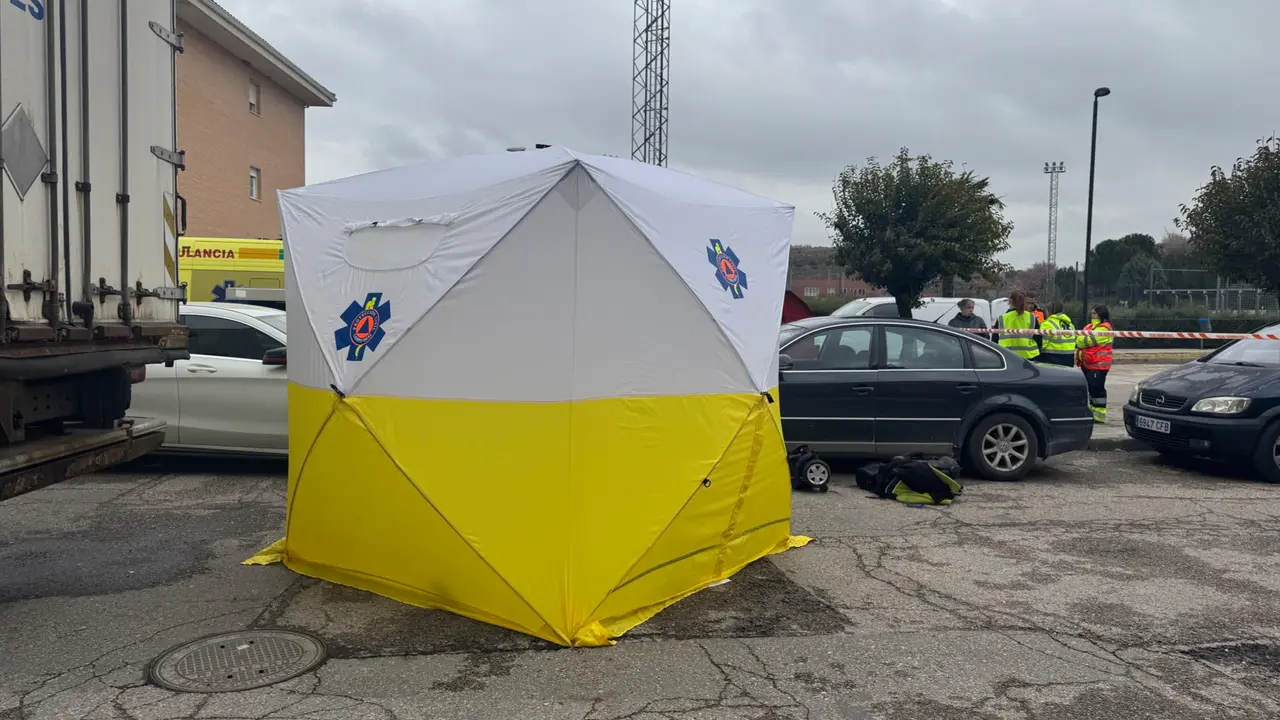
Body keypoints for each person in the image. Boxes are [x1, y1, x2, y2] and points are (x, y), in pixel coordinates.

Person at [1076, 305, 1114, 423]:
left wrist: (1082, 339)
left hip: (1099, 365)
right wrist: (1081, 339)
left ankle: (1099, 416)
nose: (1092, 315)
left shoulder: (1105, 329)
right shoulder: (1089, 327)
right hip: (1087, 363)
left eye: (1095, 313)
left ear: (1101, 315)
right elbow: (1079, 340)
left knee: (1097, 389)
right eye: (1092, 313)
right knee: (1091, 389)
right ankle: (1093, 413)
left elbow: (1087, 341)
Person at [996, 290, 1040, 361]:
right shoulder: (1032, 317)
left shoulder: (1002, 318)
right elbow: (1038, 339)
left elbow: (995, 340)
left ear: (1010, 302)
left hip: (1006, 356)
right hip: (1028, 356)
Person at [1038, 301, 1076, 366]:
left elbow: (1042, 343)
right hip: (1069, 357)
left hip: (1052, 357)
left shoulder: (1047, 324)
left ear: (1049, 311)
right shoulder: (1070, 324)